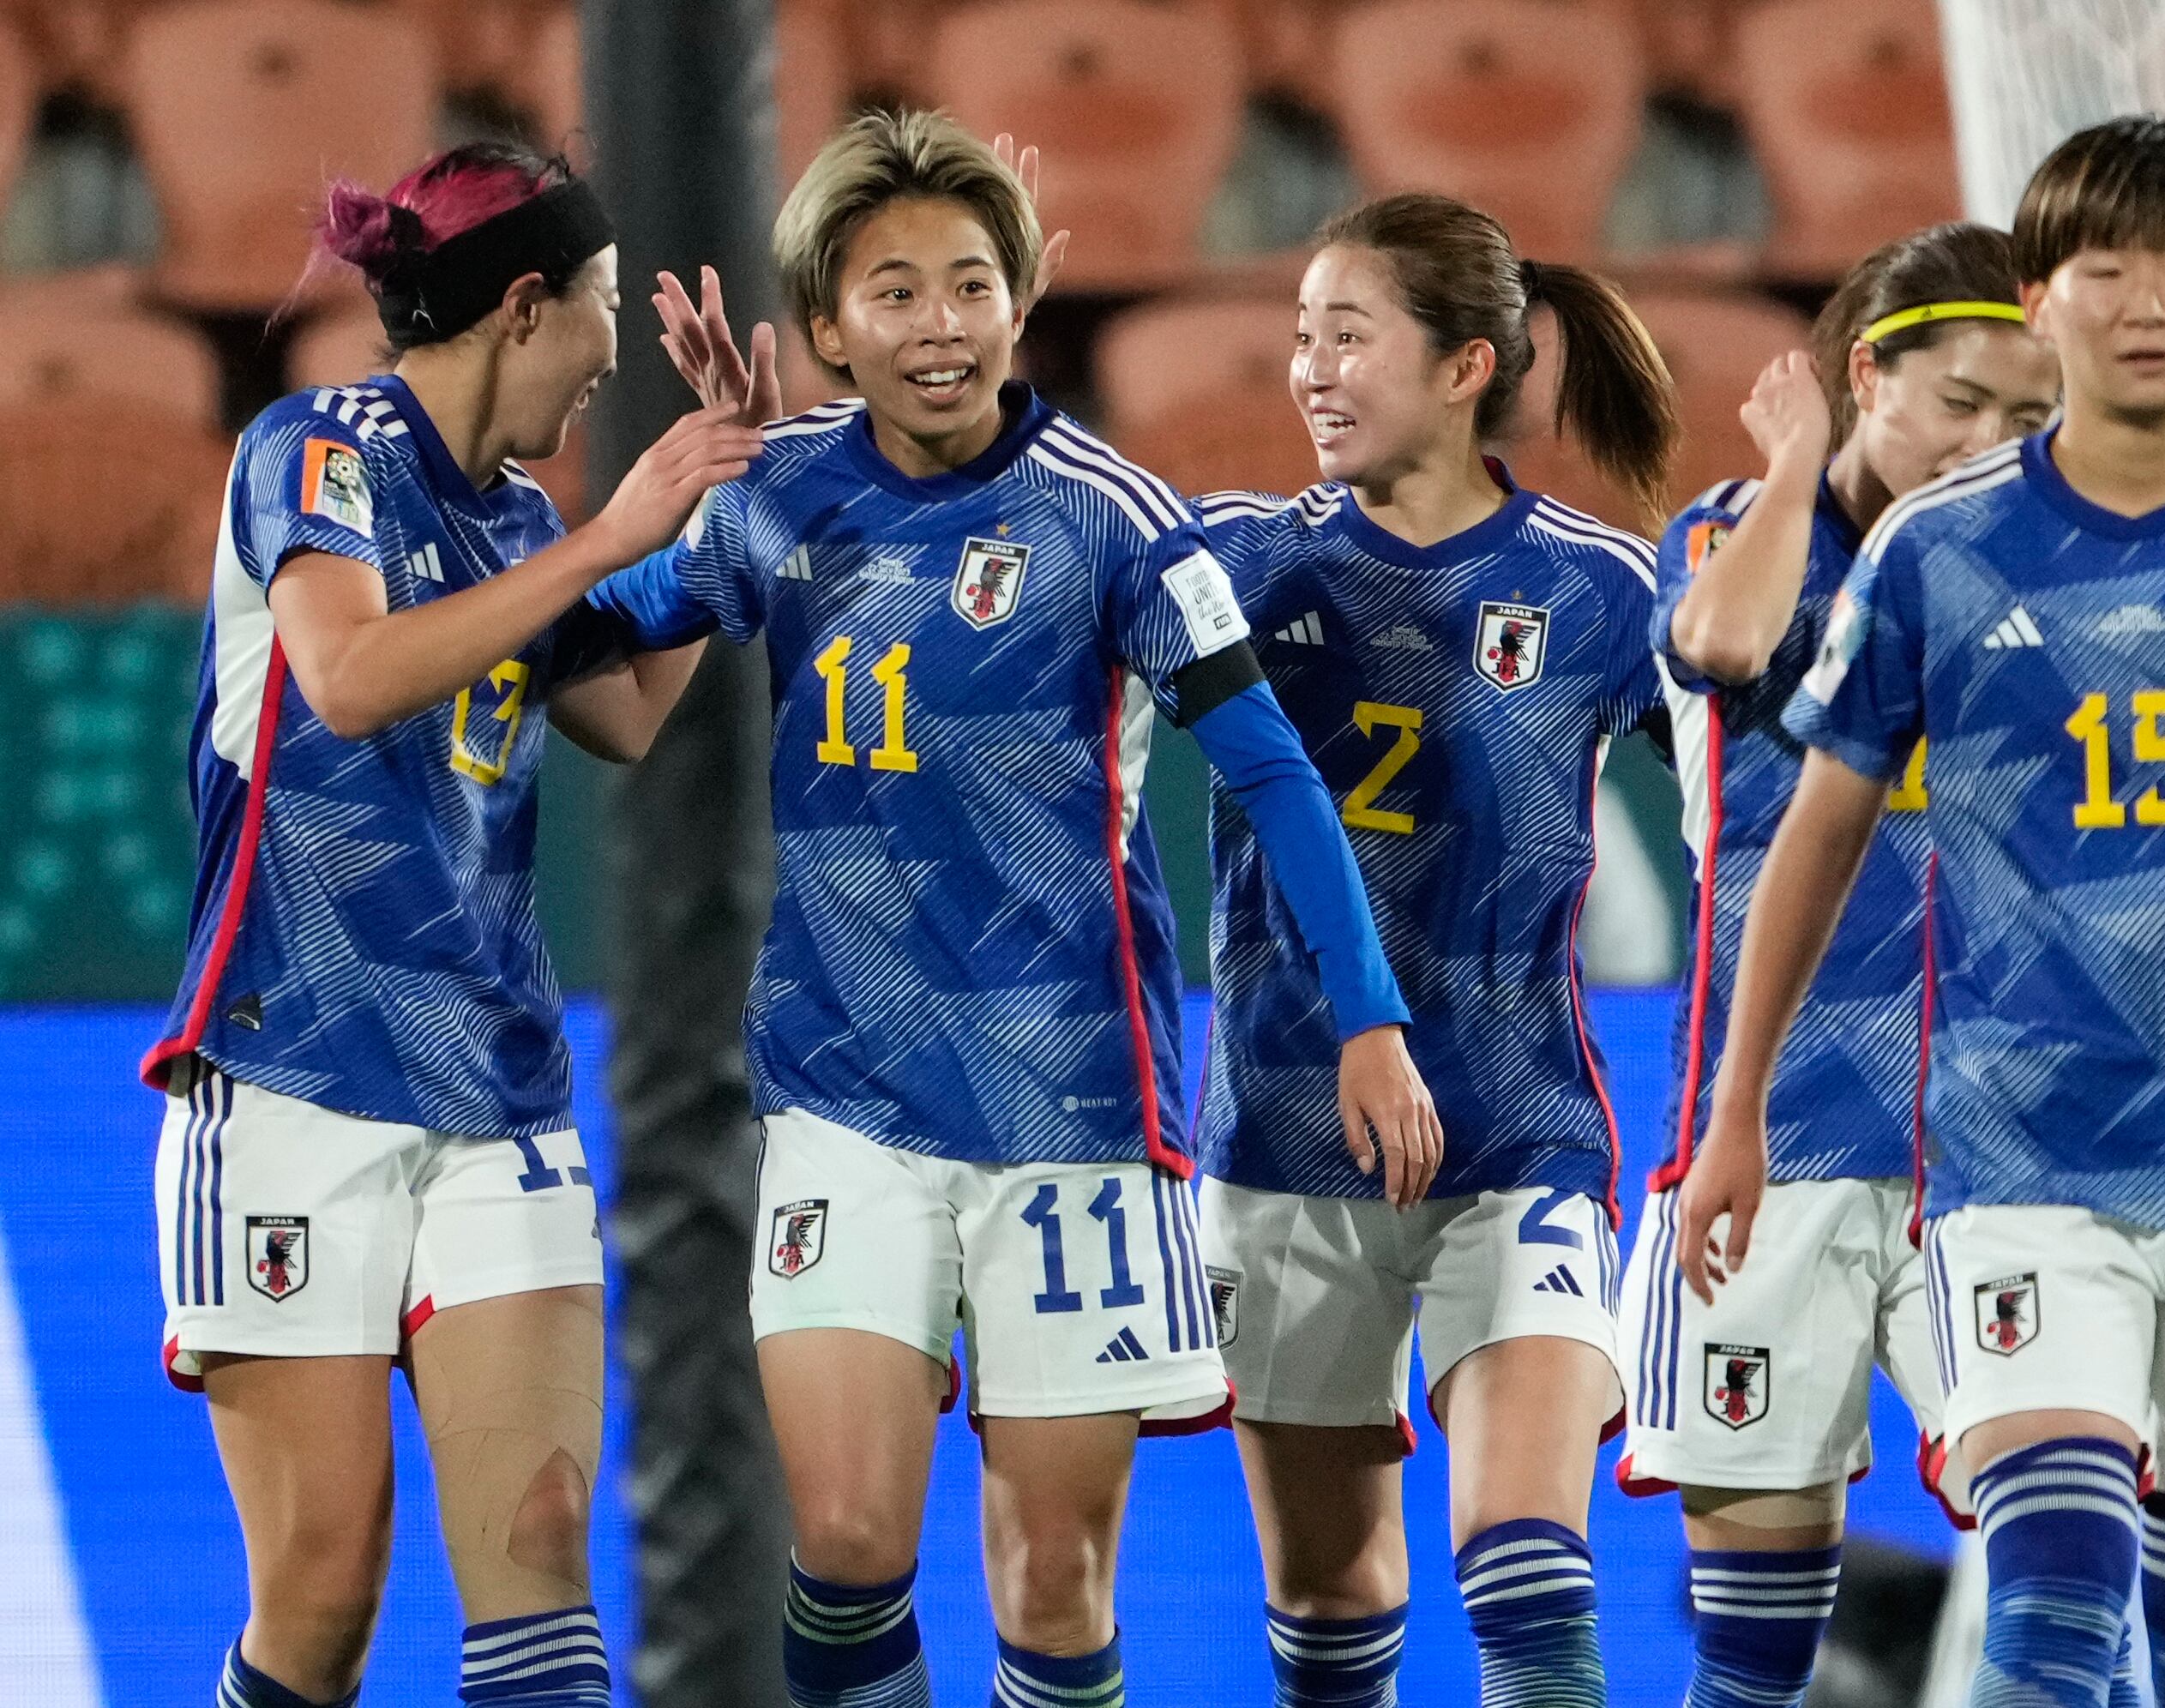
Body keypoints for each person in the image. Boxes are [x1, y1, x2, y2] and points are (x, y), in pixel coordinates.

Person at [593, 109, 1435, 1708]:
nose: (938, 326)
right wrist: (591, 541)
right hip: (843, 1090)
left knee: (1052, 1584)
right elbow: (589, 647)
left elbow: (1272, 776)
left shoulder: (1114, 516)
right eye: (893, 291)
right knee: (843, 1544)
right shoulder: (770, 495)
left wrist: (1370, 1018)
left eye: (970, 284)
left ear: (1021, 299)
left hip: (1070, 1109)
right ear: (828, 326)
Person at [1679, 116, 2165, 1708]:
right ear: (2043, 296)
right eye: (2105, 268)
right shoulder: (1932, 549)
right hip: (2023, 1154)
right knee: (2045, 1616)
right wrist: (1737, 1105)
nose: (2147, 301)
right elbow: (1816, 835)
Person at [147, 142, 768, 1708]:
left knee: (543, 1552)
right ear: (523, 306)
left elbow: (624, 715)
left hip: (497, 1096)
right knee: (322, 1598)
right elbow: (348, 681)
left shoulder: (512, 519)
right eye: (604, 305)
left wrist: (716, 515)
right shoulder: (315, 450)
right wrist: (610, 538)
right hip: (292, 1084)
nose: (618, 343)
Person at [1188, 192, 1678, 1708]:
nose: (1311, 372)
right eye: (1297, 339)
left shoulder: (1602, 590)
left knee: (1525, 1569)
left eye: (1350, 336)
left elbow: (1760, 795)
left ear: (1467, 367)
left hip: (1516, 1137)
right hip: (1284, 1136)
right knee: (1331, 1613)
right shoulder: (1235, 571)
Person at [1614, 224, 2056, 1707]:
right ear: (1865, 374)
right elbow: (1723, 644)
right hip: (1773, 1146)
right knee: (1749, 1646)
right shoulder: (1735, 533)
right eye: (1960, 404)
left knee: (2073, 1576)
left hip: (1988, 1161)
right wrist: (1799, 463)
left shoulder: (2033, 581)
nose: (1989, 445)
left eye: (2024, 418)